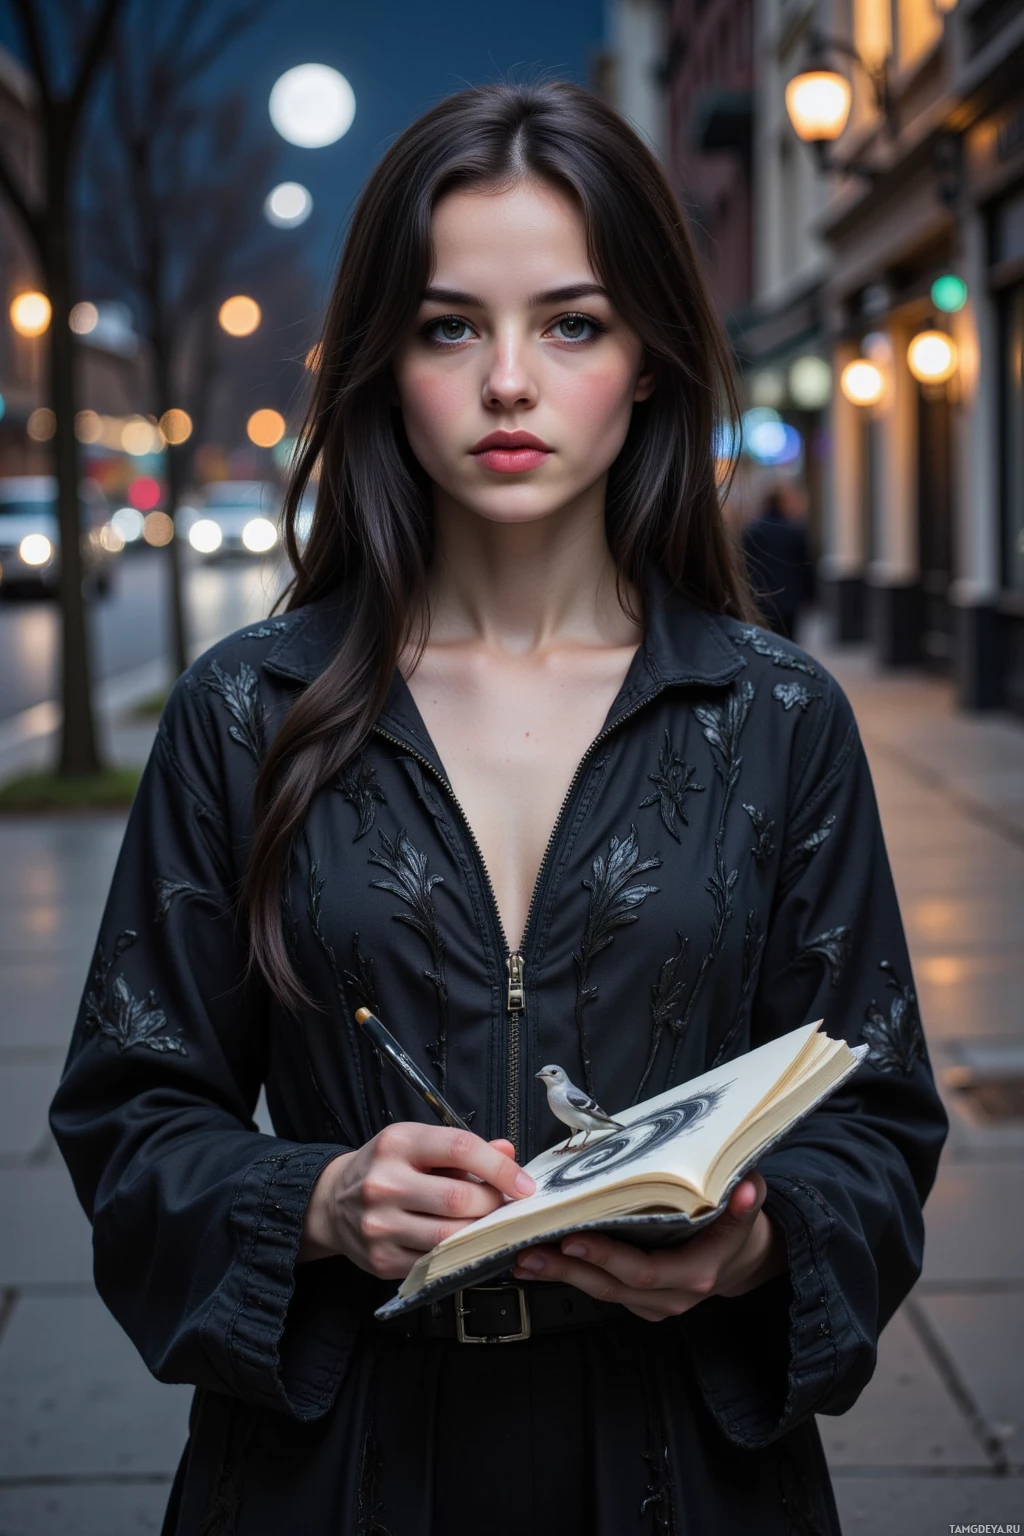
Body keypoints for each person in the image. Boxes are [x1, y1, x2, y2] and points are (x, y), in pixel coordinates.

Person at [49, 82, 947, 1536]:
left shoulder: (778, 718)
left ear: (649, 358)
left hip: (683, 1468)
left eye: (572, 324)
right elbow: (130, 1111)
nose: (509, 381)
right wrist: (323, 1200)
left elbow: (881, 1118)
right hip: (330, 1467)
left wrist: (754, 1245)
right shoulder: (247, 711)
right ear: (381, 363)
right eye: (451, 325)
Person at [742, 482, 812, 640]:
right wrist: (810, 595)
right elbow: (805, 565)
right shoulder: (794, 531)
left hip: (762, 595)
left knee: (766, 640)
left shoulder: (753, 530)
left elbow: (746, 565)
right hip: (790, 596)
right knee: (789, 641)